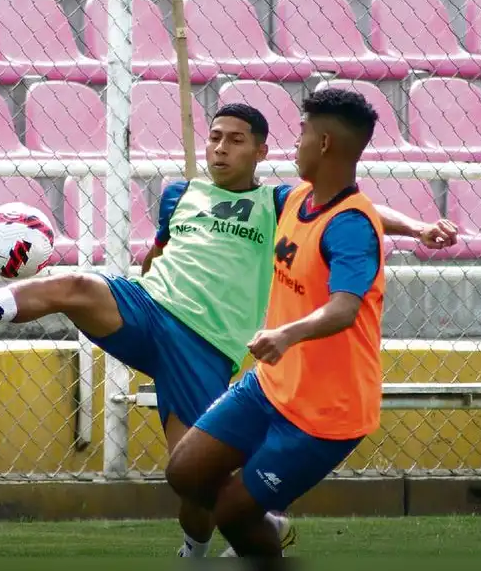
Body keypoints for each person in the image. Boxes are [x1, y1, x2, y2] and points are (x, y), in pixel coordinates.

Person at [0, 102, 457, 557]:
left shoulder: (278, 202)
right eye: (214, 137)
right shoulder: (179, 194)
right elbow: (159, 252)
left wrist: (416, 227)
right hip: (150, 306)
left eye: (235, 140)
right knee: (75, 284)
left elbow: (354, 208)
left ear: (260, 151)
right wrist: (153, 265)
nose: (220, 148)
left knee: (191, 479)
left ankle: (204, 546)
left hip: (204, 345)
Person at [166, 88, 397, 561]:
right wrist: (418, 228)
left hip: (324, 414)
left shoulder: (351, 227)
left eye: (303, 132)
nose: (296, 142)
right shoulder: (296, 198)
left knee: (233, 514)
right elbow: (378, 213)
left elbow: (344, 308)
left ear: (325, 143)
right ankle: (261, 524)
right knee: (185, 472)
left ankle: (255, 530)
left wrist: (286, 334)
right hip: (270, 386)